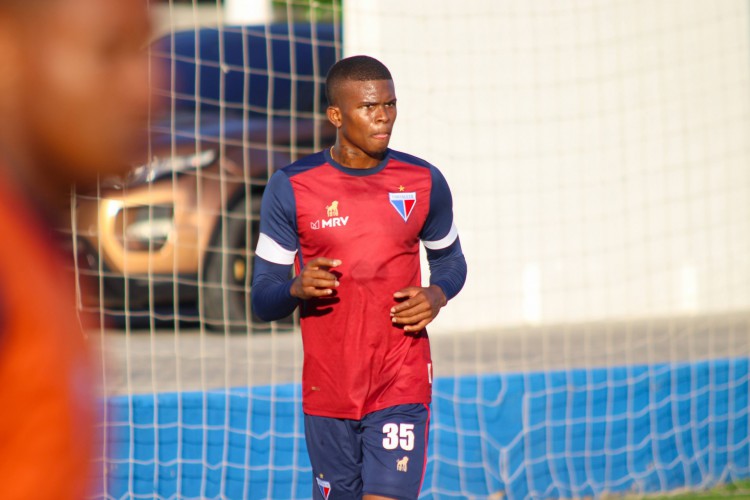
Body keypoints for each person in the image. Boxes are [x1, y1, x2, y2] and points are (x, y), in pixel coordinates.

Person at [252, 55, 467, 500]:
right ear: (336, 115)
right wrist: (294, 287)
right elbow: (262, 298)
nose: (384, 117)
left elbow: (451, 262)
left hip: (400, 379)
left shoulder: (423, 180)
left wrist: (437, 293)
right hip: (328, 390)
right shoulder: (292, 186)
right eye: (369, 107)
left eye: (390, 104)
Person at [0, 0, 152, 497]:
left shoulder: (36, 241)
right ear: (10, 52)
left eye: (147, 49)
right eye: (109, 52)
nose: (148, 88)